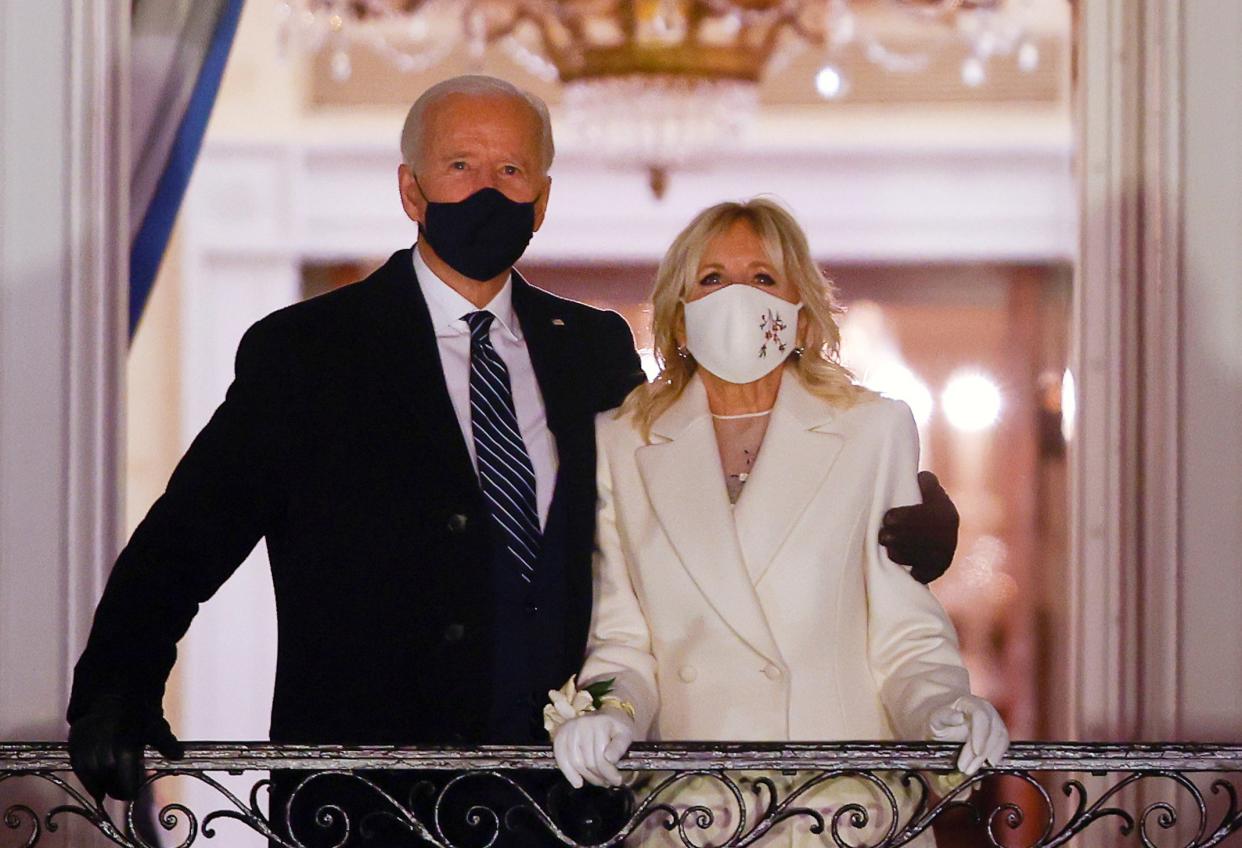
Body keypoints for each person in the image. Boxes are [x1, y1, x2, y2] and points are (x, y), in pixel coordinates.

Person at [66, 76, 960, 844]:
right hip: (370, 806)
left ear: (542, 198)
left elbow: (699, 505)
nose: (487, 190)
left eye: (512, 170)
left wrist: (911, 512)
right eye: (461, 167)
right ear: (412, 190)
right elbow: (189, 532)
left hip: (567, 807)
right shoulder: (310, 352)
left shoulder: (595, 349)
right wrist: (119, 675)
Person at [549, 199, 1008, 846]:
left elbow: (905, 638)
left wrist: (944, 712)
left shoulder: (871, 431)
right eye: (712, 279)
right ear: (678, 317)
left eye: (763, 278)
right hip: (698, 816)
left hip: (841, 816)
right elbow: (626, 643)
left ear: (800, 312)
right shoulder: (626, 442)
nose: (738, 297)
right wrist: (609, 714)